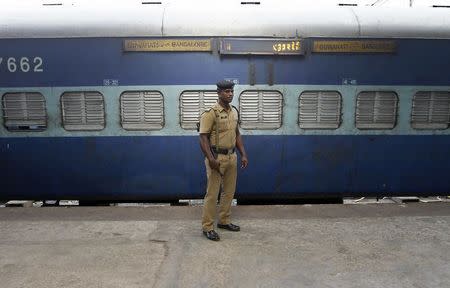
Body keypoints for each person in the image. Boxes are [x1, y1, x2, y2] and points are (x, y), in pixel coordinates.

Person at [199, 80, 248, 241]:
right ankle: (207, 227)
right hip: (217, 158)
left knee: (229, 192)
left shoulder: (233, 111)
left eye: (231, 91)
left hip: (232, 157)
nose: (230, 94)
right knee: (212, 194)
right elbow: (203, 138)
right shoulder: (210, 113)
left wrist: (243, 154)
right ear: (218, 93)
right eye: (226, 91)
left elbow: (237, 134)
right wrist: (211, 159)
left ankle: (224, 221)